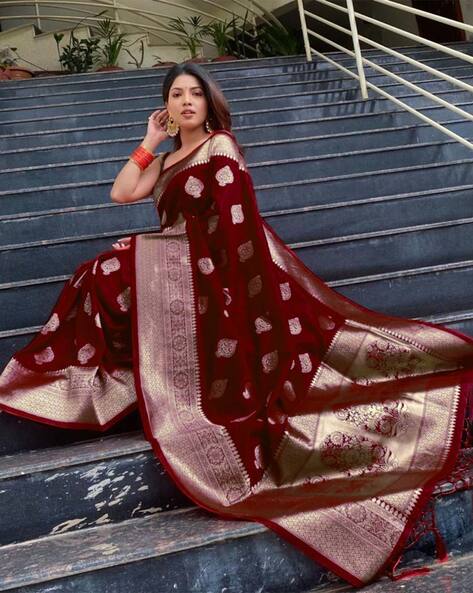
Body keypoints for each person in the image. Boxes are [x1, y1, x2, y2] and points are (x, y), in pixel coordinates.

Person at [1, 62, 473, 587]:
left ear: (208, 104)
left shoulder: (219, 148)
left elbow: (232, 225)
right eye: (176, 95)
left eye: (195, 95)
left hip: (209, 273)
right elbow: (122, 193)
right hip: (174, 270)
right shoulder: (169, 157)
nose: (185, 103)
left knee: (109, 268)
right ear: (166, 106)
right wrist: (147, 140)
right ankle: (101, 382)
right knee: (98, 273)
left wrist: (182, 257)